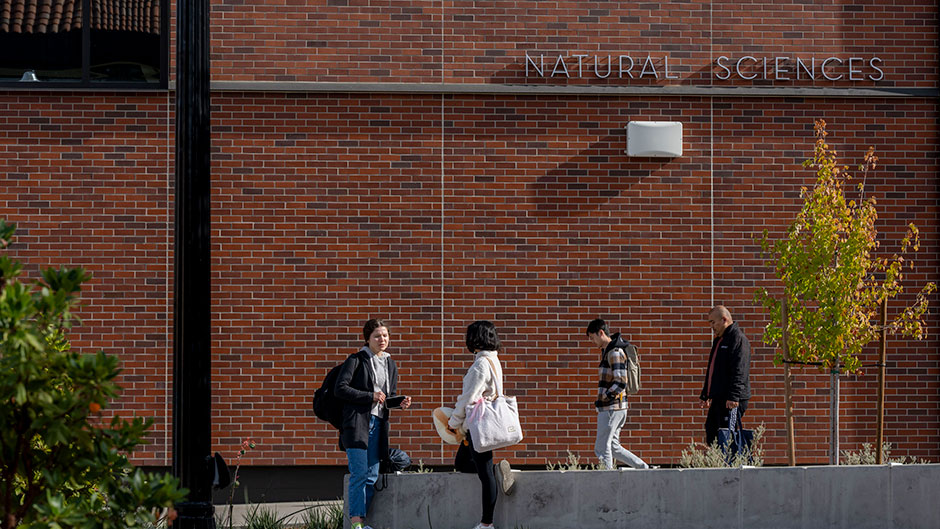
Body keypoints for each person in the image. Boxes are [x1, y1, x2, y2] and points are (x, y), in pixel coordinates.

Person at [335, 319, 411, 529]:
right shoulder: (356, 359)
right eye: (377, 336)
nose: (382, 339)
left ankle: (361, 522)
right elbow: (340, 389)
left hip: (379, 424)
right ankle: (356, 524)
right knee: (359, 473)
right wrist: (370, 395)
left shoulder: (390, 363)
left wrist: (399, 402)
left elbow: (387, 397)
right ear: (367, 339)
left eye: (385, 335)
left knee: (371, 475)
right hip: (358, 425)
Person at [446, 320, 515, 529]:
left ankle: (487, 524)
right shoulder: (494, 360)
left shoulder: (480, 364)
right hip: (482, 424)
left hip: (477, 426)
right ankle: (498, 470)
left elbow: (468, 397)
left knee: (485, 476)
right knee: (461, 463)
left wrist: (453, 422)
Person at [585, 318, 649, 470]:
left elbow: (621, 382)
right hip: (615, 407)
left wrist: (606, 397)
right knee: (613, 447)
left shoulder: (614, 352)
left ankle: (607, 479)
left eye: (593, 338)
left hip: (612, 407)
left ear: (601, 333)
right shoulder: (610, 351)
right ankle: (644, 468)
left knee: (601, 447)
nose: (592, 342)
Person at [699, 305, 751, 446]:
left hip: (731, 399)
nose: (711, 326)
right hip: (719, 397)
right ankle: (717, 464)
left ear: (724, 320)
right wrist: (706, 394)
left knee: (727, 434)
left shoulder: (738, 339)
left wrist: (734, 396)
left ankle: (729, 464)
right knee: (711, 430)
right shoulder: (719, 340)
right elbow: (713, 370)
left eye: (713, 322)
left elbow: (740, 370)